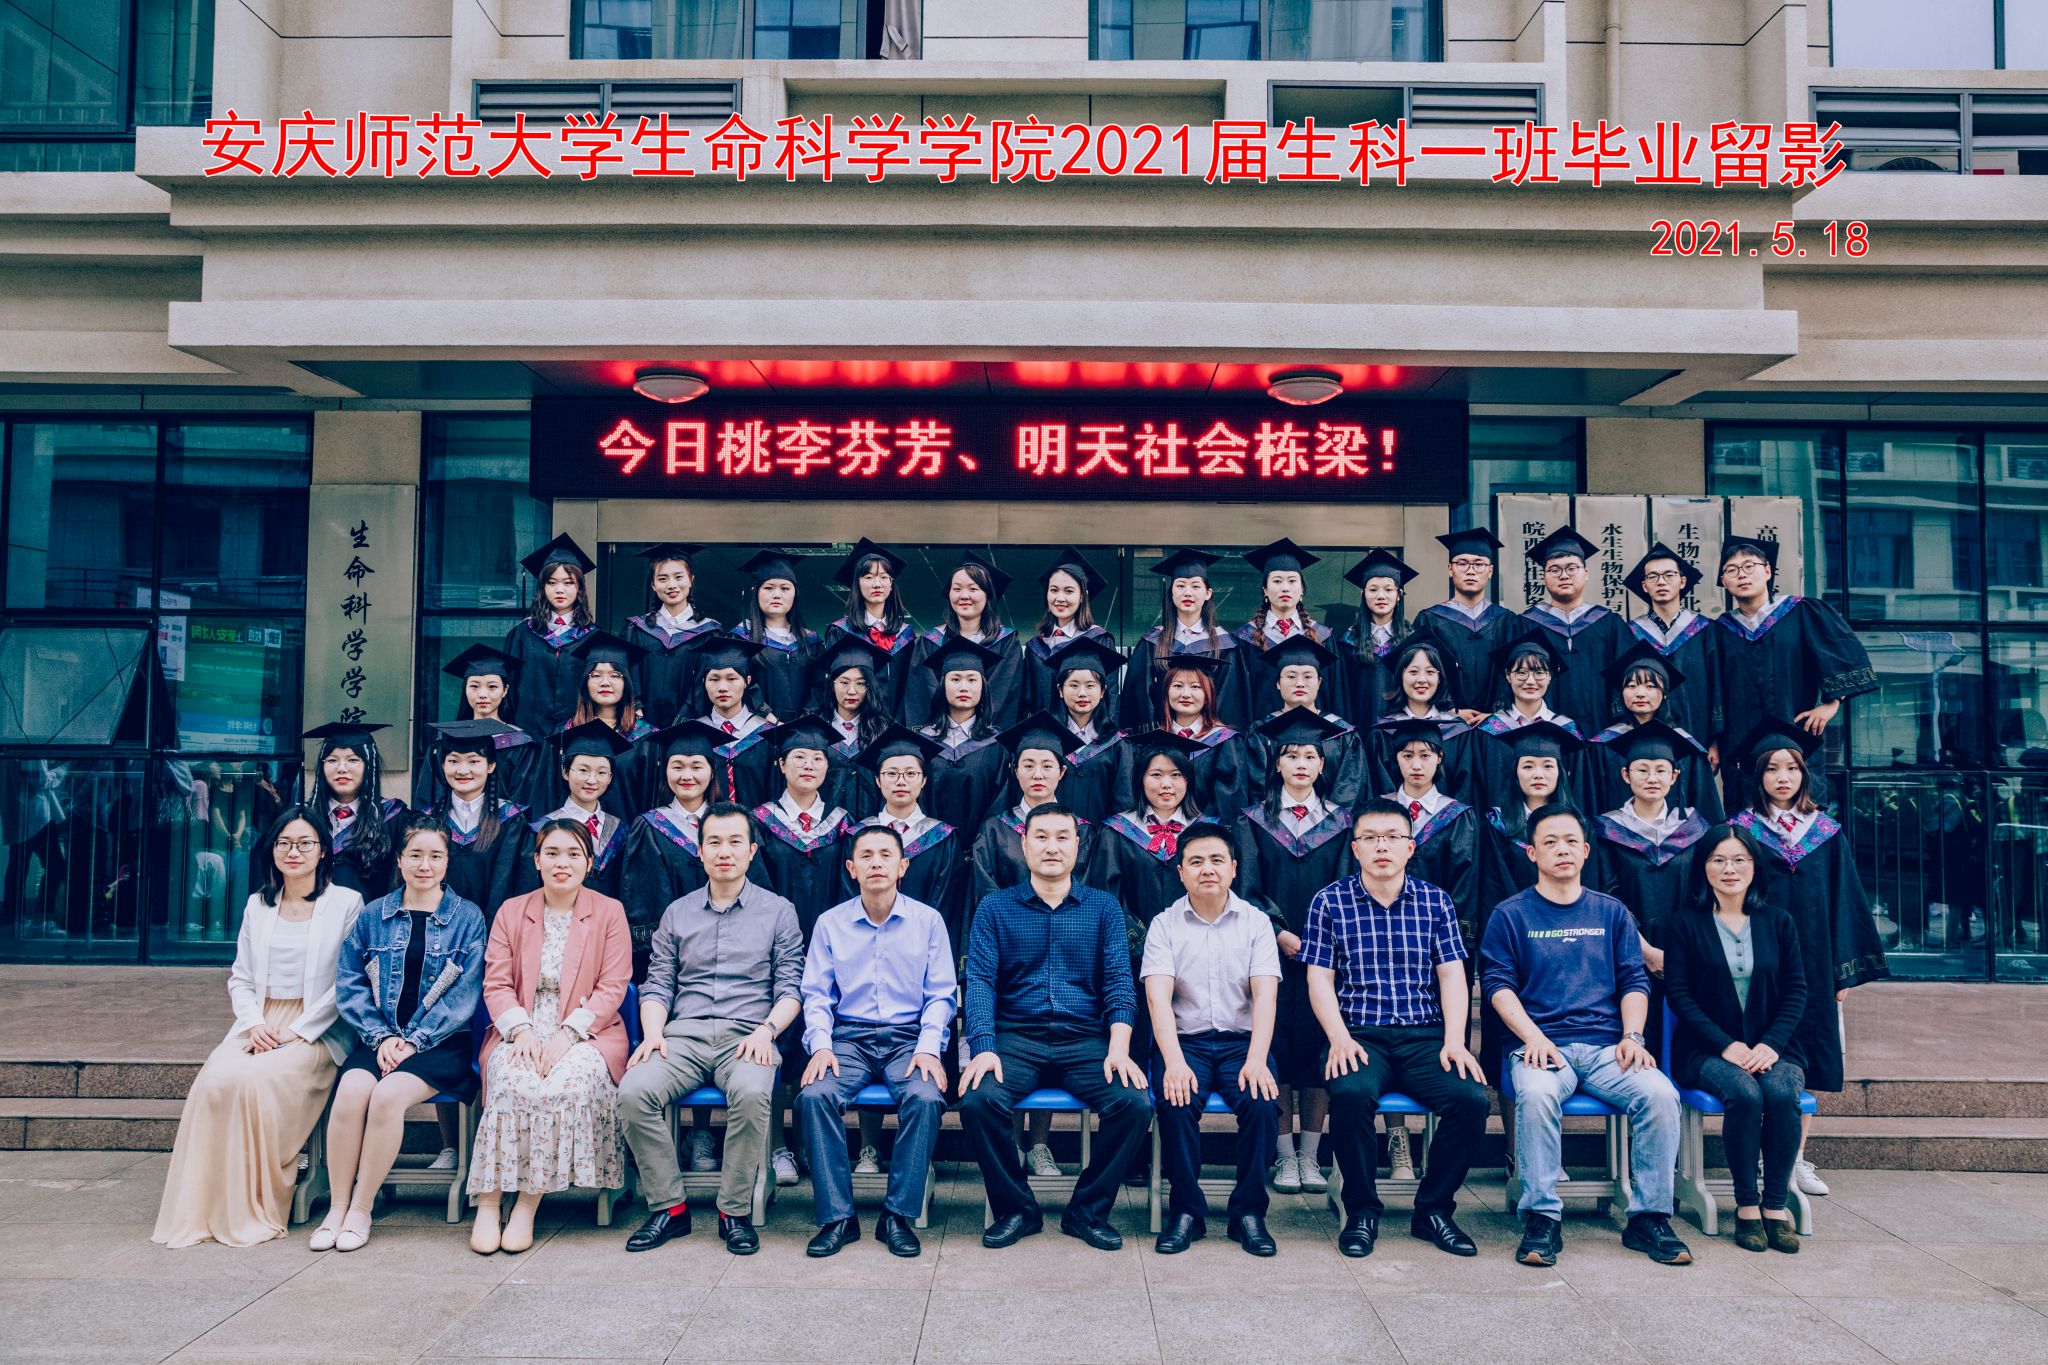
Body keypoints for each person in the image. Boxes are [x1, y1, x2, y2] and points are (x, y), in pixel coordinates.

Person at [1479, 805, 1693, 1269]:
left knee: (1660, 1094)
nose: (1562, 850)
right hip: (1540, 1045)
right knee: (1536, 1096)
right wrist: (1533, 1037)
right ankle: (1542, 1218)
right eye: (1550, 842)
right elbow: (1497, 986)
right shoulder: (1510, 914)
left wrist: (1633, 1036)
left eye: (1571, 841)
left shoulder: (1611, 913)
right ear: (1532, 852)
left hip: (1607, 1047)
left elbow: (1634, 980)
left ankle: (1649, 1217)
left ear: (1586, 851)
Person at [153, 807, 364, 1248]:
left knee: (253, 1084)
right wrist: (254, 1024)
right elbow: (241, 977)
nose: (294, 852)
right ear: (272, 850)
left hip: (317, 1029)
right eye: (284, 843)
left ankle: (254, 1204)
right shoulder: (258, 905)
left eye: (305, 843)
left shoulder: (346, 903)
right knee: (214, 1083)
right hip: (259, 1023)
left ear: (323, 851)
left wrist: (298, 1030)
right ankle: (207, 1206)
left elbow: (347, 981)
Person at [960, 803, 1153, 1250]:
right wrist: (984, 1046)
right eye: (1041, 837)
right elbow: (980, 982)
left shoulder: (1103, 908)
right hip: (1016, 1039)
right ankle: (1017, 1210)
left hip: (1085, 1040)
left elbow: (1120, 983)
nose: (1052, 846)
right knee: (977, 1101)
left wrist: (1118, 1047)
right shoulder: (995, 908)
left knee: (1133, 1104)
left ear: (1077, 846)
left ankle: (1087, 1211)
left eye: (1062, 837)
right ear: (1024, 844)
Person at [1306, 800, 1490, 1259]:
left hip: (1424, 1035)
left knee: (1471, 1099)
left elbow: (1452, 974)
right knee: (1350, 1094)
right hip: (1359, 1035)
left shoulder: (1435, 901)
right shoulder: (1329, 901)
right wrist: (1338, 1038)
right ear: (1355, 848)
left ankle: (1433, 1210)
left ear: (1410, 847)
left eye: (1392, 837)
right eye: (1370, 838)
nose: (1381, 846)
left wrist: (1455, 1041)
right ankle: (1361, 1211)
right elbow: (1319, 979)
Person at [618, 805, 803, 1256]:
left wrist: (767, 1031)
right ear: (699, 852)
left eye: (735, 842)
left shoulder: (778, 912)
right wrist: (654, 1033)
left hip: (748, 1036)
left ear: (752, 850)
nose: (725, 851)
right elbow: (657, 983)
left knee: (754, 1093)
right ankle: (669, 1208)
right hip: (682, 1035)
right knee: (634, 1092)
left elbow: (791, 988)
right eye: (714, 842)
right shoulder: (677, 913)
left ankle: (733, 1212)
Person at [1731, 718, 1890, 1196]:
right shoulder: (1740, 831)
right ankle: (1761, 1160)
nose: (1783, 777)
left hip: (1816, 965)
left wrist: (1844, 971)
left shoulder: (1826, 832)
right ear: (1757, 775)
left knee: (1807, 1062)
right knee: (1760, 1060)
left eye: (1792, 768)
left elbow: (1846, 901)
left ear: (1804, 774)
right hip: (1757, 965)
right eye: (1771, 768)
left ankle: (1794, 1159)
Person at [318, 818, 487, 1251]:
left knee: (387, 1096)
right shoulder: (374, 915)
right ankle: (337, 1207)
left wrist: (413, 1041)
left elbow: (464, 996)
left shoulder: (468, 918)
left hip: (440, 1043)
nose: (424, 865)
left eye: (435, 856)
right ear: (399, 860)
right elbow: (350, 982)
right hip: (381, 1038)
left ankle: (361, 1208)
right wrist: (381, 1037)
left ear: (447, 862)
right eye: (415, 855)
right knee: (351, 1092)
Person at [467, 818, 634, 1254]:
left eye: (574, 854)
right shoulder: (512, 911)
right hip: (520, 1024)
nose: (563, 863)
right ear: (537, 860)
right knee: (512, 1082)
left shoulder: (609, 912)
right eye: (553, 853)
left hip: (587, 1031)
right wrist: (520, 1030)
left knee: (562, 1086)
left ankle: (526, 1203)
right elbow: (496, 983)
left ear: (589, 863)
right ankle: (488, 1201)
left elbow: (613, 985)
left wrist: (568, 1034)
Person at [796, 826, 956, 1257]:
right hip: (849, 1037)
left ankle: (897, 1216)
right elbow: (816, 994)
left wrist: (929, 1047)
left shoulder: (928, 921)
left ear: (903, 866)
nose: (876, 863)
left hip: (909, 1037)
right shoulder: (831, 923)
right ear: (851, 868)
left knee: (925, 1097)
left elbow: (941, 995)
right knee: (815, 1096)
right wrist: (821, 1045)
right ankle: (838, 1217)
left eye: (886, 855)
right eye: (866, 856)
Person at [1664, 824, 1810, 1253]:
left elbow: (1797, 991)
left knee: (1780, 1093)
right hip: (1705, 1048)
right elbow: (1679, 995)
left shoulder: (1778, 922)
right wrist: (1726, 1045)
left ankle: (1775, 1206)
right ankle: (1747, 1206)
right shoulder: (1684, 924)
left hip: (1774, 1047)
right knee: (1745, 1094)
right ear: (1704, 868)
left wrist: (1771, 1044)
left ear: (1754, 867)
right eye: (1719, 860)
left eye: (1739, 860)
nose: (1729, 869)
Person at [1141, 822, 1281, 1255]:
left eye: (1217, 860)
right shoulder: (1164, 925)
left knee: (1262, 1104)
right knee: (1175, 1102)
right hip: (1186, 1043)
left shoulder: (1256, 923)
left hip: (1243, 1043)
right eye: (1196, 861)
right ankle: (1187, 1212)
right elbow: (1158, 999)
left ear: (1234, 868)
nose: (1207, 869)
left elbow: (1265, 996)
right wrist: (1174, 1061)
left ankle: (1248, 1213)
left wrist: (1257, 1059)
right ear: (1180, 872)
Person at [1234, 707, 1353, 1195]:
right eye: (1291, 755)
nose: (1301, 763)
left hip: (1330, 955)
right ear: (1277, 763)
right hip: (1271, 955)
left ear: (1322, 764)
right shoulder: (1254, 820)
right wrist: (1279, 932)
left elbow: (1348, 884)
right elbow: (1247, 887)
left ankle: (1310, 1154)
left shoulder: (1342, 822)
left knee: (1321, 1052)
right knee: (1277, 1047)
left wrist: (1323, 938)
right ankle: (1283, 1156)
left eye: (1309, 756)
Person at [1374, 715, 1482, 1182]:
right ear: (1395, 760)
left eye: (1425, 755)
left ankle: (1439, 1144)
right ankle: (1397, 1139)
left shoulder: (1458, 816)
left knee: (1442, 1043)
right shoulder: (1378, 815)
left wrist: (1444, 943)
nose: (1416, 764)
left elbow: (1466, 885)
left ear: (1440, 759)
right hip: (1378, 944)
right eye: (1407, 755)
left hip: (1439, 947)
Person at [1712, 536, 1876, 800]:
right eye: (1732, 570)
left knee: (1799, 809)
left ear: (1767, 571)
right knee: (1746, 811)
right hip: (1740, 741)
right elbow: (1713, 689)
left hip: (1796, 733)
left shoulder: (1801, 612)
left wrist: (1831, 704)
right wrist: (1715, 740)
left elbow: (1841, 653)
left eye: (1749, 566)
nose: (1741, 574)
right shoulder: (1720, 630)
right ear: (1724, 581)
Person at [620, 720, 725, 974]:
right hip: (671, 958)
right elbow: (643, 900)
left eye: (696, 766)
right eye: (677, 766)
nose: (686, 776)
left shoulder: (731, 823)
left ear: (712, 771)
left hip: (730, 950)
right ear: (665, 770)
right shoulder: (649, 827)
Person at [1586, 644, 1723, 822]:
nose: (1640, 693)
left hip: (1678, 838)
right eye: (1631, 686)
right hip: (1616, 838)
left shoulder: (1686, 746)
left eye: (1650, 686)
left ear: (1665, 693)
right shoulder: (1602, 746)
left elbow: (1706, 811)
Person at [1122, 547, 1251, 732]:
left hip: (1209, 740)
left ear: (1208, 593)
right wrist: (1154, 736)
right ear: (1171, 592)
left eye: (1195, 586)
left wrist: (1214, 738)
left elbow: (1230, 700)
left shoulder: (1226, 645)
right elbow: (1139, 698)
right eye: (1180, 585)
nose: (1187, 592)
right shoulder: (1152, 642)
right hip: (1162, 738)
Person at [1518, 526, 1632, 732]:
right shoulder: (1525, 624)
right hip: (1542, 734)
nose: (1564, 576)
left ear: (1585, 573)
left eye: (1572, 568)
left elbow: (1626, 676)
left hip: (1601, 730)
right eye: (1555, 570)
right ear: (1544, 576)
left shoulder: (1610, 623)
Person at [422, 719, 531, 922]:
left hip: (494, 928)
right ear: (443, 765)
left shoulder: (511, 820)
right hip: (434, 928)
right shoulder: (427, 820)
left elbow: (509, 882)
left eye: (473, 761)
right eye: (453, 761)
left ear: (491, 766)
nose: (463, 771)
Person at [1243, 633, 1367, 809]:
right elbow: (1257, 788)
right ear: (1278, 683)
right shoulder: (1260, 732)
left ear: (1319, 682)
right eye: (1291, 676)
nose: (1300, 683)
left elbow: (1349, 789)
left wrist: (1328, 821)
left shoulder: (1344, 733)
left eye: (1308, 676)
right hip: (1272, 821)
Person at [1406, 527, 1519, 718]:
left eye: (1479, 564)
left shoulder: (1507, 621)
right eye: (1462, 563)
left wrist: (1497, 714)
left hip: (1498, 723)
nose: (1471, 571)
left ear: (1490, 571)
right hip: (1446, 721)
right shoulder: (1430, 619)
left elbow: (1516, 671)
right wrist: (1451, 710)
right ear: (1450, 569)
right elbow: (1420, 671)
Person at [906, 550, 1024, 729]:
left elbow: (1005, 691)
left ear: (988, 595)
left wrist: (978, 733)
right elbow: (922, 692)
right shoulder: (930, 641)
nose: (964, 596)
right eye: (957, 589)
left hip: (987, 738)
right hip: (940, 736)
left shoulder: (1006, 641)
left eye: (973, 589)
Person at [1467, 634, 1587, 806]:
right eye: (1521, 673)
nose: (1530, 681)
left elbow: (1579, 790)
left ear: (1549, 677)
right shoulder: (1488, 731)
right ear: (1508, 676)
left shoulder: (1566, 729)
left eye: (1539, 673)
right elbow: (1477, 790)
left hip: (1556, 820)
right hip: (1500, 822)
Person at [431, 644, 549, 813]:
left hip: (507, 826)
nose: (482, 694)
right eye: (474, 686)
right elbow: (432, 793)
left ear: (505, 690)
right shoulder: (446, 739)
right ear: (465, 689)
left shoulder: (521, 744)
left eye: (492, 686)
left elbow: (524, 798)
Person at [1621, 543, 1718, 747]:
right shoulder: (1630, 632)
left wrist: (1716, 741)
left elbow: (1716, 684)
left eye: (1669, 575)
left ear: (1682, 581)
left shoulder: (1704, 629)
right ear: (1644, 586)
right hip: (1646, 736)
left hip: (1697, 729)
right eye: (1653, 576)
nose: (1661, 581)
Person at [914, 634, 1011, 833]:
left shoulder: (997, 744)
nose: (964, 687)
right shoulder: (922, 742)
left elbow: (1002, 800)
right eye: (955, 679)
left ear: (983, 686)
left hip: (983, 844)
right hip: (930, 843)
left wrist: (983, 843)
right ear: (943, 685)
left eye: (972, 679)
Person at [502, 533, 598, 734]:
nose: (559, 590)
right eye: (552, 582)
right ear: (542, 587)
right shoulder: (522, 634)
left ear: (579, 587)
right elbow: (509, 686)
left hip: (576, 734)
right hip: (528, 733)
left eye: (568, 582)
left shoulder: (592, 637)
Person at [623, 542, 723, 729]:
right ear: (653, 585)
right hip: (640, 724)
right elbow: (627, 669)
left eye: (679, 577)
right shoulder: (636, 628)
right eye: (662, 579)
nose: (671, 585)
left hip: (689, 727)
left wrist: (685, 718)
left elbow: (709, 679)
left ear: (691, 579)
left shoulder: (709, 632)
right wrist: (636, 706)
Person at [305, 721, 408, 902]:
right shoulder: (304, 819)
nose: (341, 768)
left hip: (370, 917)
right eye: (332, 760)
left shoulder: (393, 817)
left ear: (369, 766)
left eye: (353, 760)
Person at [1233, 538, 1335, 718]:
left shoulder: (1322, 635)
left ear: (1302, 590)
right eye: (1277, 581)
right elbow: (1238, 696)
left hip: (1312, 730)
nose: (1285, 588)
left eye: (1292, 581)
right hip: (1261, 730)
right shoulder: (1245, 638)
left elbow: (1333, 694)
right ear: (1265, 590)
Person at [531, 721, 633, 899]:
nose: (592, 780)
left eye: (601, 773)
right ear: (565, 772)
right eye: (583, 770)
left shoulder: (621, 830)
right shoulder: (543, 828)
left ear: (610, 778)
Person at [562, 629, 657, 816]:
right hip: (571, 832)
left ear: (626, 683)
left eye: (615, 675)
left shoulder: (647, 739)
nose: (605, 682)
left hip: (629, 832)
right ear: (585, 683)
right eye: (596, 675)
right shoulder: (565, 734)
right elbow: (549, 796)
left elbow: (651, 800)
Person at [1365, 641, 1474, 802]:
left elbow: (1466, 790)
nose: (1422, 679)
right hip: (1390, 816)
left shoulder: (1458, 731)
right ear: (1401, 676)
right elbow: (1377, 787)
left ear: (1439, 678)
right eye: (1413, 672)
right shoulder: (1382, 731)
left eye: (1430, 672)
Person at [1022, 547, 1122, 720]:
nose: (1060, 598)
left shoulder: (1099, 640)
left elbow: (1110, 697)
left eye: (1069, 591)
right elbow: (1028, 701)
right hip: (1047, 734)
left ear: (1083, 596)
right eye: (1054, 590)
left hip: (1092, 733)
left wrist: (1106, 734)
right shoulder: (1035, 648)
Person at [1154, 654, 1256, 822]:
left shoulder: (1224, 741)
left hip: (1208, 833)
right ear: (1166, 692)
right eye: (1178, 685)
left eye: (1195, 687)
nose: (1186, 694)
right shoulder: (1155, 740)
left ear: (1208, 695)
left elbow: (1230, 803)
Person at [828, 538, 918, 720]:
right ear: (857, 583)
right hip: (857, 725)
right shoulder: (840, 632)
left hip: (896, 726)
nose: (877, 584)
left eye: (884, 577)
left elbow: (910, 688)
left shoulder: (905, 635)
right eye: (868, 577)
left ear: (891, 585)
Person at [1044, 632, 1130, 824]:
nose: (1082, 693)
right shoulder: (1047, 738)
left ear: (1103, 691)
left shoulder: (1118, 743)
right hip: (1051, 837)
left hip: (1101, 838)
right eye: (1073, 685)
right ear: (1060, 690)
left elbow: (1124, 803)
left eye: (1090, 685)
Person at [732, 549, 823, 725]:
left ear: (795, 594)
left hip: (804, 731)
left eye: (785, 588)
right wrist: (770, 718)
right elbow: (743, 683)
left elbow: (819, 685)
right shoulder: (742, 638)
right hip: (758, 728)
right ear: (756, 592)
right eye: (768, 588)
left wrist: (805, 719)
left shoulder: (811, 641)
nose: (777, 595)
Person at [693, 633, 778, 807]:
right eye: (714, 679)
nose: (722, 687)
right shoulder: (695, 733)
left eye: (732, 679)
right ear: (703, 682)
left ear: (747, 681)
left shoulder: (768, 735)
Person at [814, 635, 892, 822]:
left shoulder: (884, 732)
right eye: (844, 682)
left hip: (871, 827)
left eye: (860, 683)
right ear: (832, 685)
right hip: (824, 828)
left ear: (870, 687)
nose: (851, 691)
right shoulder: (815, 730)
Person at [1339, 548, 1417, 727]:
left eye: (1388, 589)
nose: (1381, 596)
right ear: (1363, 595)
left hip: (1403, 732)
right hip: (1360, 730)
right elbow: (1342, 695)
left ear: (1399, 595)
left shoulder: (1412, 641)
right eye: (1373, 589)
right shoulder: (1347, 642)